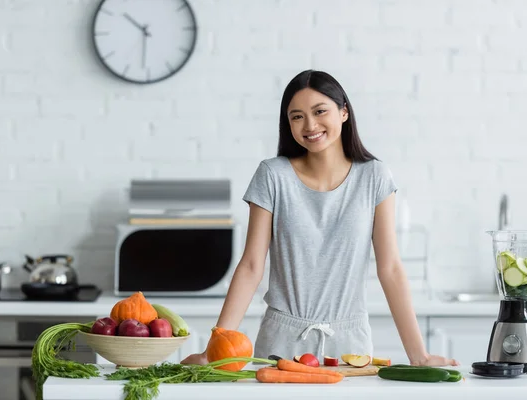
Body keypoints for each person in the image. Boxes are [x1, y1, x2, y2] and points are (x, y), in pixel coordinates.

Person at [182, 70, 458, 367]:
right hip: (280, 347)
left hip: (350, 349)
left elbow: (389, 268)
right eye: (297, 116)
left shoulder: (374, 176)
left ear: (343, 112)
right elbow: (251, 266)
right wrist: (215, 347)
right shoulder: (273, 175)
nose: (310, 125)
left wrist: (420, 356)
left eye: (320, 111)